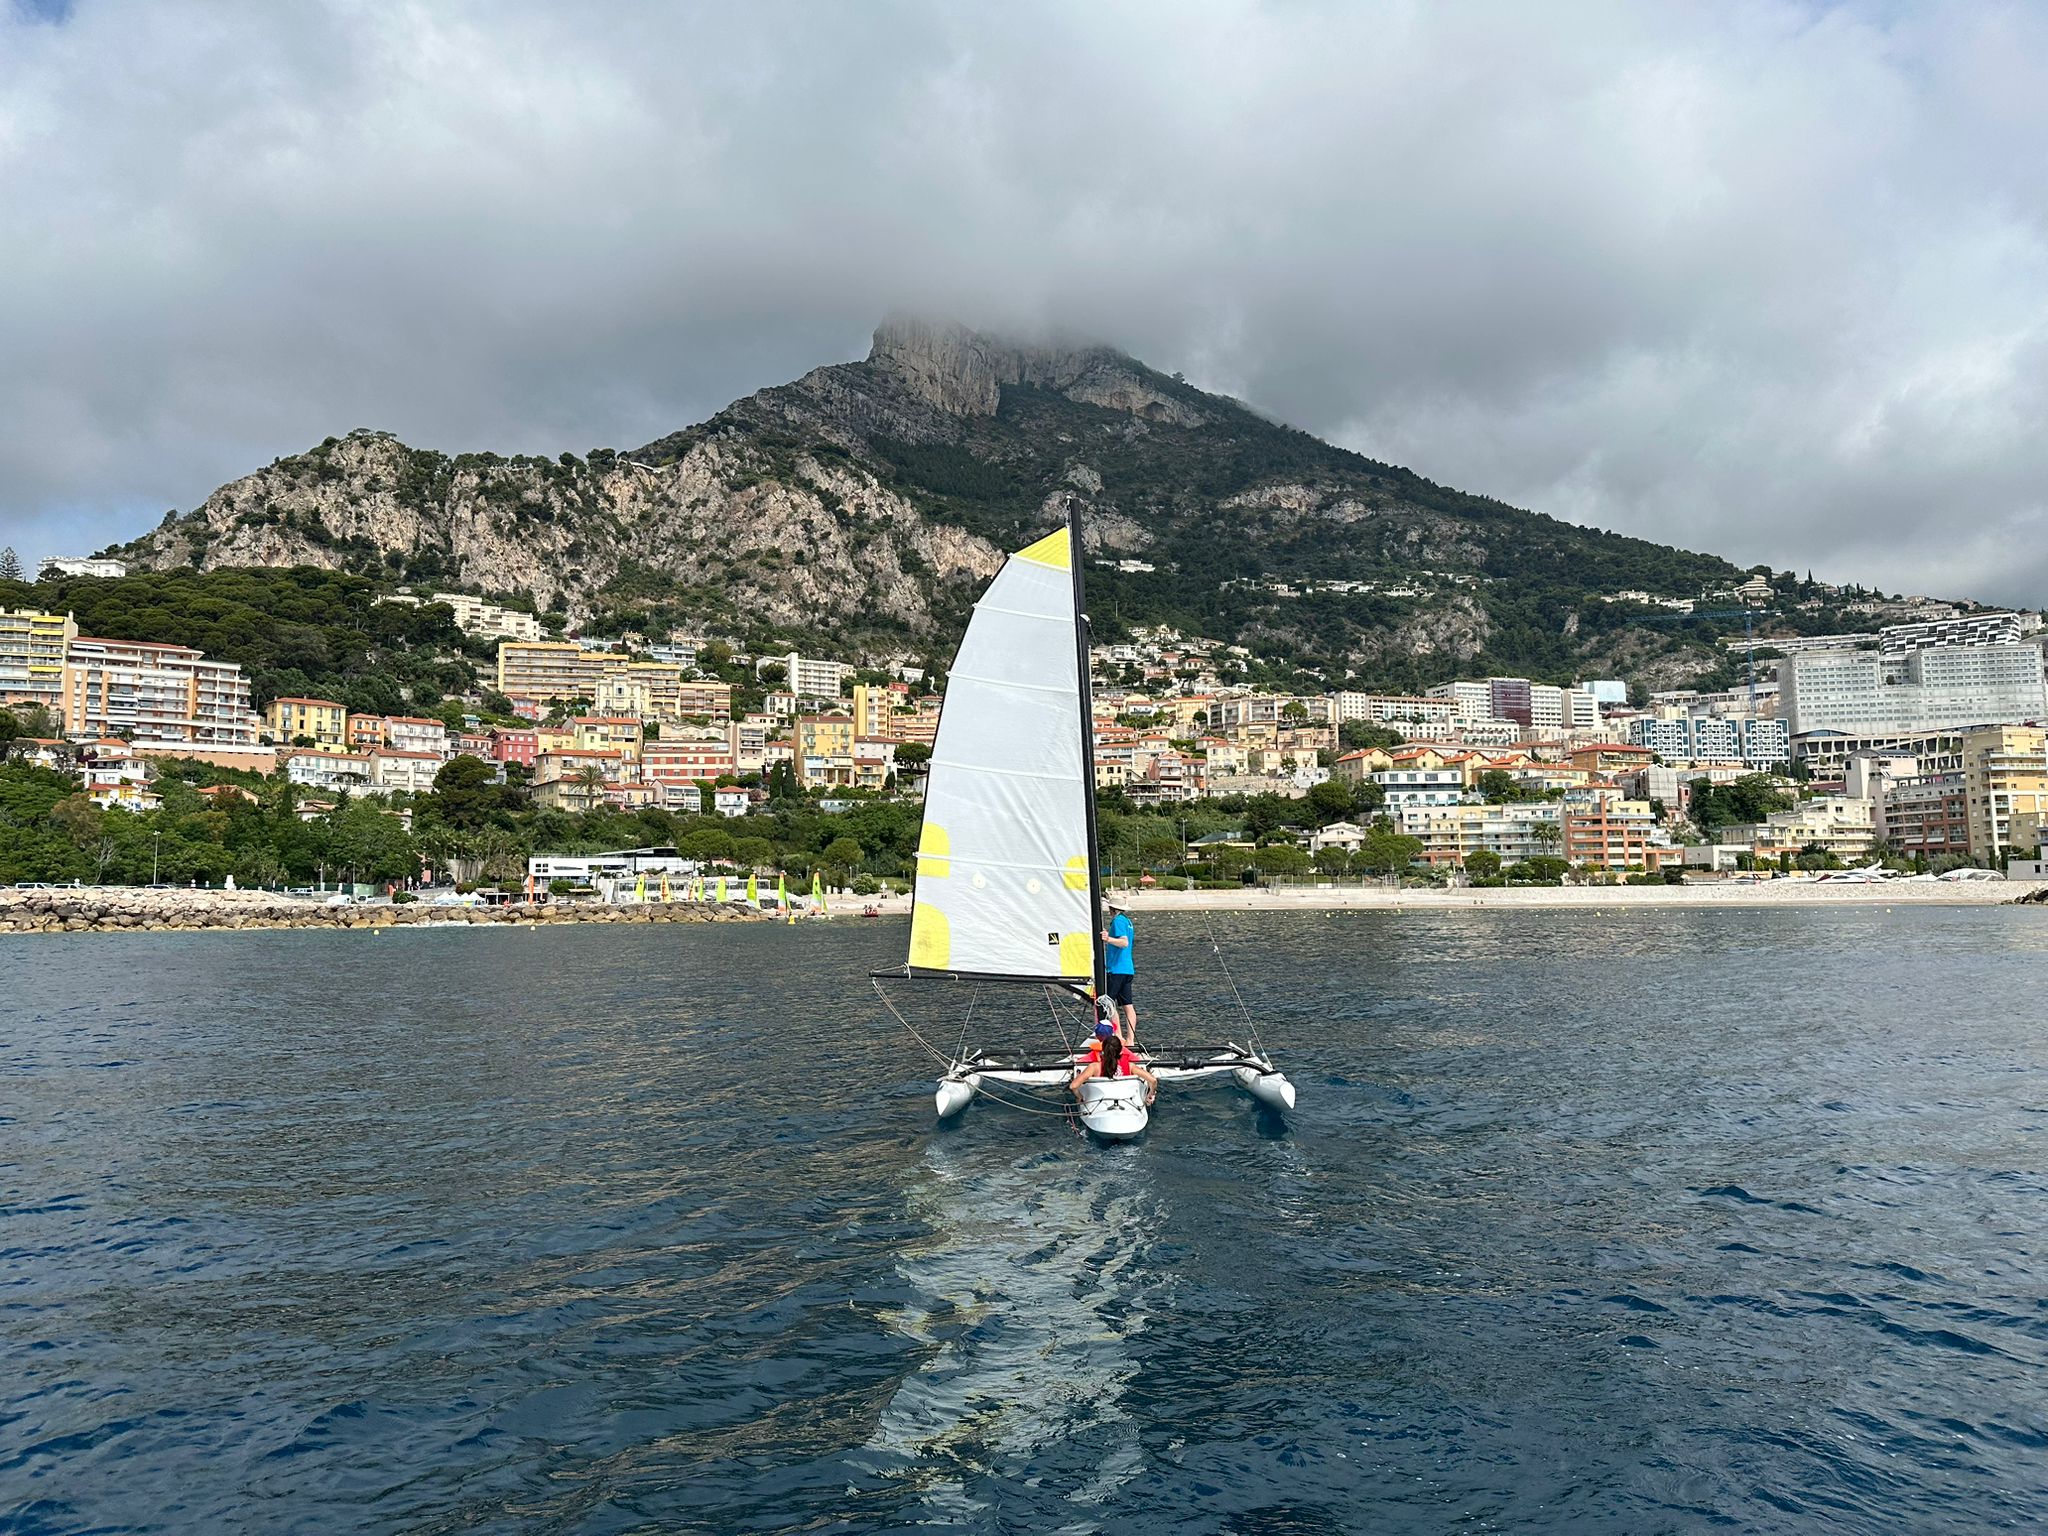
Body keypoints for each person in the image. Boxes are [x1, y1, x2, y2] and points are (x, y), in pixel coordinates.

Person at [1069, 1030, 1157, 1107]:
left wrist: (1080, 1097)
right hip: (1126, 1100)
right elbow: (1153, 1080)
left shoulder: (1094, 1067)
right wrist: (1151, 1094)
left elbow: (1073, 1086)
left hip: (1100, 1102)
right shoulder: (1130, 1066)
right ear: (1121, 1051)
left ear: (1103, 1050)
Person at [1099, 898, 1138, 1046]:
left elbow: (1124, 942)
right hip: (1127, 969)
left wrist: (1107, 939)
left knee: (1109, 1003)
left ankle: (1119, 1037)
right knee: (1128, 1005)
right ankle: (1130, 1040)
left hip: (1116, 969)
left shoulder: (1118, 921)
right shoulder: (1127, 921)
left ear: (1112, 909)